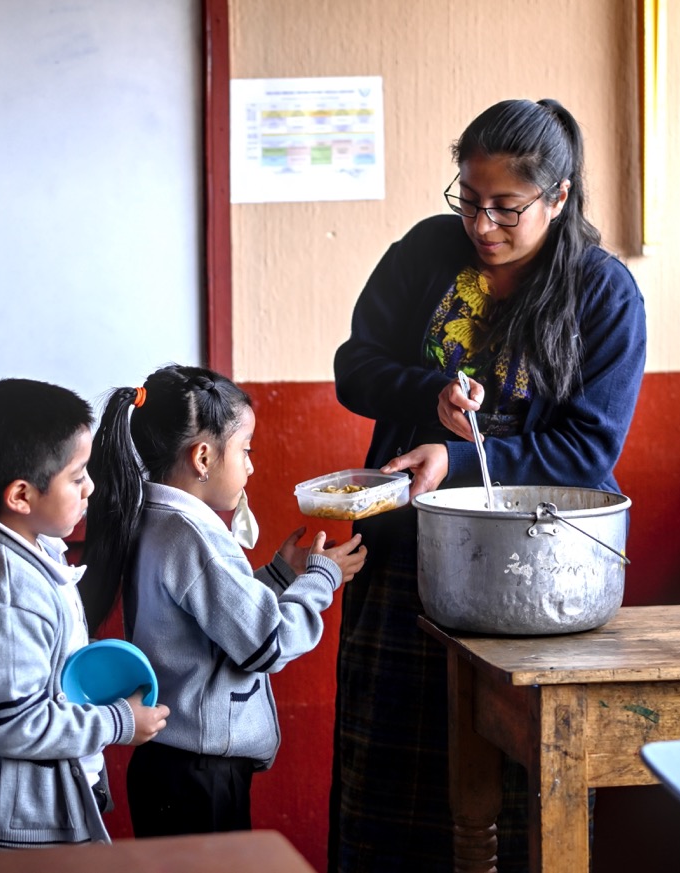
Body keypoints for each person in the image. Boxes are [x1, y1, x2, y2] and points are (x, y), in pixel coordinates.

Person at [328, 98, 647, 873]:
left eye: (506, 208)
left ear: (559, 196)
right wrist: (428, 393)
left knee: (519, 797)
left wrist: (457, 461)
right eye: (468, 200)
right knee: (386, 791)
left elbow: (585, 450)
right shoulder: (427, 255)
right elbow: (354, 366)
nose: (482, 225)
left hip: (535, 575)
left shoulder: (601, 296)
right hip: (409, 549)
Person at [80, 363, 367, 837]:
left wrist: (279, 575)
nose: (251, 465)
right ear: (203, 458)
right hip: (200, 775)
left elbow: (217, 620)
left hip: (169, 765)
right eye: (245, 450)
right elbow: (266, 643)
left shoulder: (154, 517)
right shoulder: (196, 537)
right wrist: (320, 579)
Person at [0, 377, 170, 849]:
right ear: (22, 496)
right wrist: (119, 722)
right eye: (77, 475)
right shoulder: (6, 595)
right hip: (28, 825)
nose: (91, 487)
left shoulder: (31, 540)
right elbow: (12, 726)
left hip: (55, 794)